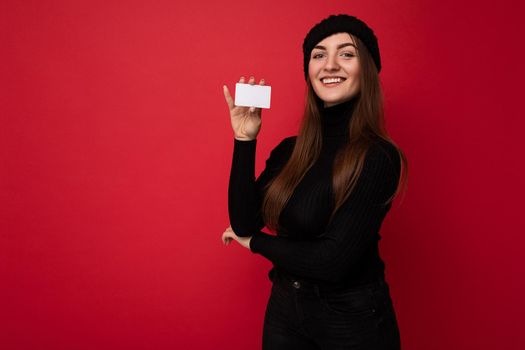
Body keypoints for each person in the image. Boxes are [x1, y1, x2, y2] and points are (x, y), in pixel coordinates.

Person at [221, 13, 408, 350]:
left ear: (367, 70)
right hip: (285, 310)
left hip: (351, 319)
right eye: (319, 55)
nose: (330, 65)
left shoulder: (378, 157)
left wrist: (255, 244)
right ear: (308, 71)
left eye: (346, 54)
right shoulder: (290, 151)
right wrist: (244, 139)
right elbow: (244, 220)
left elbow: (331, 261)